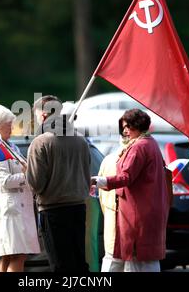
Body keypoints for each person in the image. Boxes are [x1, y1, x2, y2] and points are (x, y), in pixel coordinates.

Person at [91, 109, 170, 272]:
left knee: (135, 260)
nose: (125, 131)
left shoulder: (138, 147)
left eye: (127, 126)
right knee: (146, 259)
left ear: (137, 125)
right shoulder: (151, 143)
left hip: (137, 213)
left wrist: (96, 181)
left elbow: (125, 177)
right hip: (149, 211)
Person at [26, 95, 91, 272]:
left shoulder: (40, 142)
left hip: (53, 210)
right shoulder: (80, 140)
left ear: (44, 116)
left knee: (60, 264)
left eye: (37, 116)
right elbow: (87, 177)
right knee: (78, 262)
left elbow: (35, 184)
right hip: (78, 208)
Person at [0, 104, 40, 272]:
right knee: (17, 255)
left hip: (16, 207)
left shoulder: (9, 146)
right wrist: (27, 176)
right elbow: (6, 181)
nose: (12, 126)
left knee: (9, 255)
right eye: (8, 123)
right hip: (11, 209)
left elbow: (24, 165)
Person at [97, 136, 129, 272]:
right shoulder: (140, 159)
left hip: (111, 224)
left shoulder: (108, 160)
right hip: (132, 230)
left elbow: (101, 196)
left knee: (111, 263)